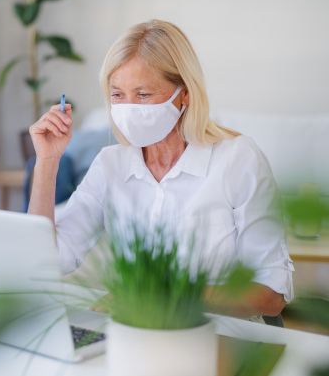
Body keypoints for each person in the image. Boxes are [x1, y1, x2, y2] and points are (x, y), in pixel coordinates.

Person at [27, 20, 293, 319]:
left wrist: (160, 294)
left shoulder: (238, 159)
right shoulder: (110, 164)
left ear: (185, 94)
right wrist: (47, 162)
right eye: (118, 95)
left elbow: (271, 294)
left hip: (219, 340)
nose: (128, 108)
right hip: (134, 337)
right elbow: (46, 261)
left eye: (143, 94)